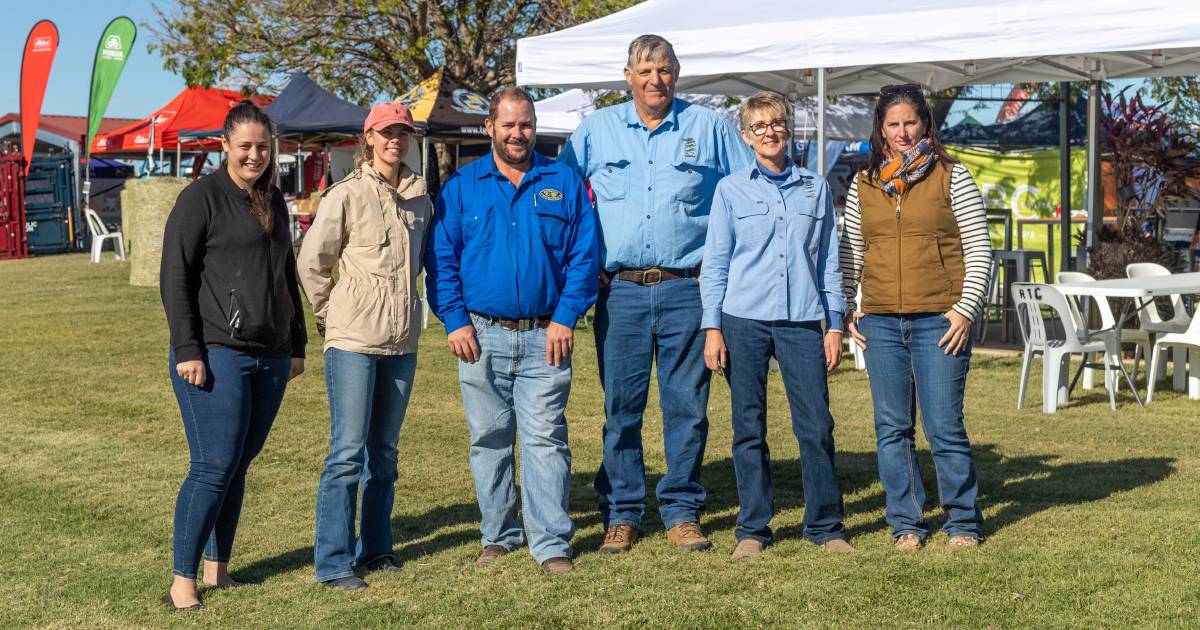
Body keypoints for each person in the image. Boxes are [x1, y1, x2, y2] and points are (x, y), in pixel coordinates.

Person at [558, 34, 753, 554]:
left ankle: (682, 510)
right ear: (627, 76)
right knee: (621, 407)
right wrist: (583, 265)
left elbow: (746, 194)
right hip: (618, 292)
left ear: (677, 72)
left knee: (686, 406)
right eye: (644, 71)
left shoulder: (709, 128)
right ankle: (621, 513)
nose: (654, 80)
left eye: (663, 70)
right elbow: (563, 200)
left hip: (687, 290)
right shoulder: (595, 132)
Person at [426, 87, 598, 575]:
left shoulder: (562, 181)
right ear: (490, 128)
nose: (517, 133)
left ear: (534, 126)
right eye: (508, 125)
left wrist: (566, 316)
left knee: (546, 439)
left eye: (525, 124)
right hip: (481, 336)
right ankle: (498, 534)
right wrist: (454, 319)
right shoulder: (462, 187)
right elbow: (441, 259)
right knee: (490, 439)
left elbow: (585, 255)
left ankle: (551, 544)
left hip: (548, 336)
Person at [159, 101, 306, 610]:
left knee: (239, 464)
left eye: (263, 147)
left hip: (271, 355)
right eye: (245, 146)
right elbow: (174, 276)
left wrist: (297, 345)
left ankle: (218, 571)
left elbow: (286, 273)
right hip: (216, 352)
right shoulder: (200, 198)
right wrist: (187, 349)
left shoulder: (273, 198)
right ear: (225, 145)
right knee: (213, 465)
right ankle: (183, 582)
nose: (254, 155)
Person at [700, 91, 852, 559]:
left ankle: (825, 525)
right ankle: (753, 528)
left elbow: (828, 260)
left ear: (789, 129)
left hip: (804, 320)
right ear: (746, 136)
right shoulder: (730, 190)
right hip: (742, 319)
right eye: (759, 126)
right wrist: (712, 327)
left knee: (816, 426)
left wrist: (834, 324)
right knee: (749, 427)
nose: (770, 132)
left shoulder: (816, 187)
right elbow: (716, 262)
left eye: (777, 123)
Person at [840, 83, 992, 551]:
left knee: (944, 427)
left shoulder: (952, 175)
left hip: (939, 324)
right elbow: (850, 252)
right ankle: (906, 522)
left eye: (910, 122)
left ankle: (963, 521)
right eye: (894, 125)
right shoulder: (863, 183)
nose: (903, 132)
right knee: (892, 428)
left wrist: (964, 310)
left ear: (925, 124)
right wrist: (848, 306)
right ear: (881, 132)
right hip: (881, 322)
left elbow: (979, 250)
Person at [297, 103, 431, 590]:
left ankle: (376, 549)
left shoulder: (421, 198)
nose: (396, 139)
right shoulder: (346, 195)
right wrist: (330, 315)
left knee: (385, 454)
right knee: (347, 453)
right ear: (369, 138)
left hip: (402, 343)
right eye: (387, 132)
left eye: (403, 132)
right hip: (353, 342)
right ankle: (333, 562)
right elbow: (312, 262)